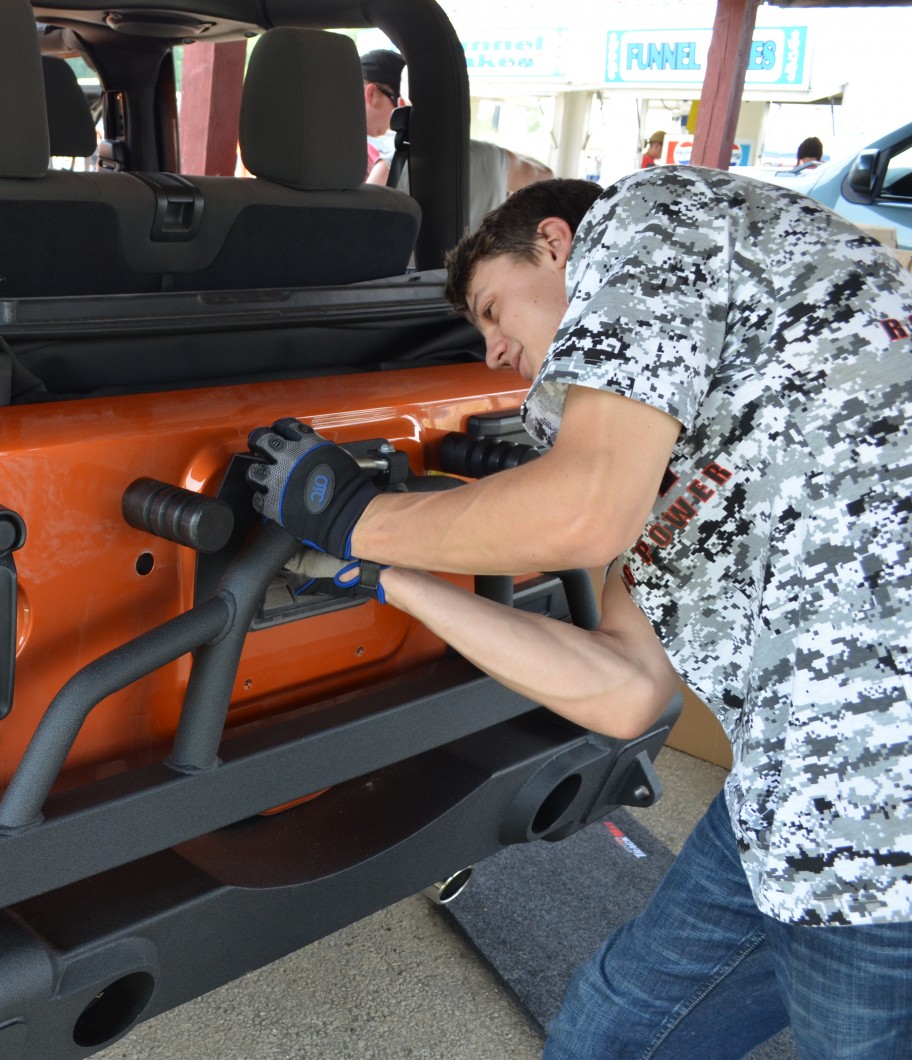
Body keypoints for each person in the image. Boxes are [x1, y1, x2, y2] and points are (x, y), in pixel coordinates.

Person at [244, 167, 912, 1056]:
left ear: (556, 244)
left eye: (492, 310)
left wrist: (355, 518)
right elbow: (626, 690)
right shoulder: (675, 466)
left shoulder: (652, 213)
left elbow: (580, 510)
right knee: (612, 1029)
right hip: (795, 805)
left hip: (885, 827)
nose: (492, 354)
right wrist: (388, 577)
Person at [360, 49, 553, 233]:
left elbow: (360, 234)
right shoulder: (495, 159)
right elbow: (546, 176)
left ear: (401, 106)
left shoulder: (388, 169)